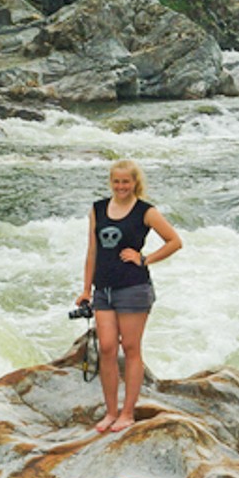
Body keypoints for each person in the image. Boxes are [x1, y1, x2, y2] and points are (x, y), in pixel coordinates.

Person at [76, 159, 182, 433]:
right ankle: (110, 412)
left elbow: (174, 241)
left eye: (126, 182)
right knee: (107, 348)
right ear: (111, 182)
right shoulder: (98, 209)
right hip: (103, 289)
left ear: (135, 183)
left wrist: (144, 258)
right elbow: (92, 251)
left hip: (134, 288)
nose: (121, 187)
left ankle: (127, 413)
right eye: (116, 181)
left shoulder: (146, 212)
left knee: (131, 349)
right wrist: (86, 289)